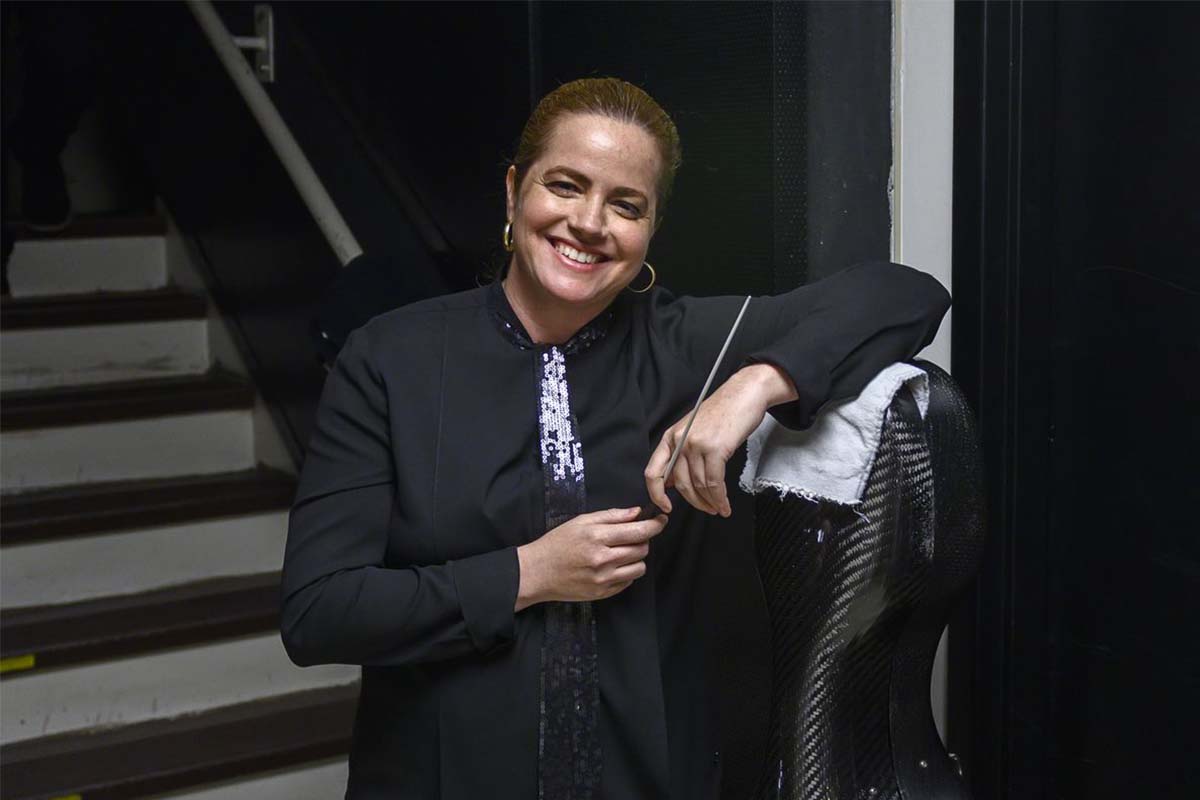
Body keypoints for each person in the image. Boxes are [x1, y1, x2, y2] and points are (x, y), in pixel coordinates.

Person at [280, 77, 950, 800]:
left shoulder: (686, 345)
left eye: (626, 205)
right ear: (513, 191)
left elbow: (905, 294)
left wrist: (754, 384)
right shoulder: (390, 359)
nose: (590, 222)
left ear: (651, 228)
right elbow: (320, 613)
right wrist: (529, 574)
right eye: (565, 186)